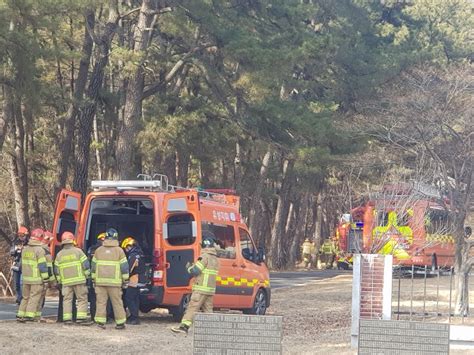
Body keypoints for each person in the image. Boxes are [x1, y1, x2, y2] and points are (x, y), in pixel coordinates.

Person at [171, 236, 219, 334]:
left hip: (201, 288)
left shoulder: (204, 257)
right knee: (208, 310)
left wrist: (189, 267)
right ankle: (212, 331)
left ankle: (184, 327)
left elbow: (196, 271)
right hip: (210, 290)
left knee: (192, 307)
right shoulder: (215, 259)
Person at [91, 228, 129, 329]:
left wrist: (93, 279)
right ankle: (120, 323)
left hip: (100, 282)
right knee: (117, 302)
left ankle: (100, 322)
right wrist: (125, 280)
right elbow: (124, 267)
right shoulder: (119, 251)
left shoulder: (98, 251)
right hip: (115, 283)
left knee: (101, 302)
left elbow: (93, 266)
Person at [54, 231, 92, 325]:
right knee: (82, 299)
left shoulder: (59, 255)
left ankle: (67, 319)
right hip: (79, 281)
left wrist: (59, 281)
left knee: (67, 300)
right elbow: (86, 265)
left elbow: (56, 270)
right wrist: (88, 276)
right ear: (72, 240)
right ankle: (81, 319)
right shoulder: (78, 251)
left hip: (66, 282)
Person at [16, 228, 49, 322]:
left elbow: (22, 264)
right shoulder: (40, 250)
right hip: (36, 279)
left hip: (26, 279)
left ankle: (20, 315)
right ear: (40, 237)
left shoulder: (25, 249)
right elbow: (42, 266)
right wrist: (46, 279)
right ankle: (29, 316)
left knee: (25, 297)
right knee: (34, 297)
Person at [121, 236, 146, 325]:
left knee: (129, 297)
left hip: (135, 279)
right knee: (135, 298)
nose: (126, 250)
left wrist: (123, 278)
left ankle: (134, 317)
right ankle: (134, 316)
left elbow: (129, 269)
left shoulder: (133, 255)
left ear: (129, 246)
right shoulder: (140, 253)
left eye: (126, 248)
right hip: (140, 278)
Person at [35, 230, 56, 321]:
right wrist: (52, 282)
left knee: (32, 297)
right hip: (42, 279)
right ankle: (37, 316)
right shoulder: (46, 252)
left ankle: (33, 315)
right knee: (39, 299)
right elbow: (48, 269)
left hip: (33, 278)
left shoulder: (35, 249)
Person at [87, 232, 106, 319]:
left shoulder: (91, 249)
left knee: (94, 299)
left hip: (94, 277)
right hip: (105, 277)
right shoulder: (108, 250)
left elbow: (89, 263)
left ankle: (93, 316)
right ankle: (104, 317)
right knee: (104, 300)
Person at [10, 226, 29, 304]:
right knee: (16, 284)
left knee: (22, 283)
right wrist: (16, 249)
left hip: (25, 266)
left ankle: (22, 298)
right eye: (20, 235)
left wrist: (24, 249)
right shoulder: (15, 242)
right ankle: (18, 297)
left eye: (23, 235)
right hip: (17, 265)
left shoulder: (29, 243)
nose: (21, 237)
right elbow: (11, 252)